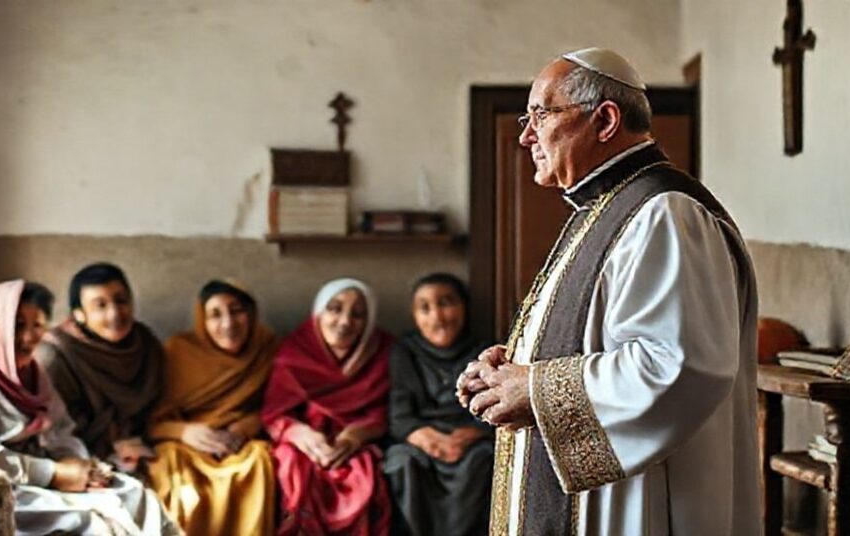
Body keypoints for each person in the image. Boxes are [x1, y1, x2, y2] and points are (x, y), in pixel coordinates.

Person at [455, 48, 759, 535]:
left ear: (606, 120)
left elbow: (677, 367)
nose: (526, 135)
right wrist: (512, 369)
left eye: (541, 114)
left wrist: (532, 388)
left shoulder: (665, 214)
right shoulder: (602, 209)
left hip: (637, 499)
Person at [0, 280, 178, 535]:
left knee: (135, 495)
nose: (28, 337)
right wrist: (53, 473)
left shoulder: (27, 371)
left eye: (38, 325)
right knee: (93, 524)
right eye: (18, 325)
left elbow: (60, 428)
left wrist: (80, 466)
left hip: (41, 478)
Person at [262, 278, 393, 536]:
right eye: (334, 309)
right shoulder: (294, 351)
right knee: (291, 466)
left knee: (363, 474)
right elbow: (274, 413)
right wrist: (299, 434)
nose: (345, 322)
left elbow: (386, 412)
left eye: (357, 314)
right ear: (318, 312)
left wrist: (354, 436)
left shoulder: (384, 352)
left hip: (355, 441)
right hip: (304, 441)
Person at [146, 280, 277, 535]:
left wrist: (246, 427)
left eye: (236, 310)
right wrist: (185, 432)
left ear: (250, 314)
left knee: (260, 460)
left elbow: (279, 407)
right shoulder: (179, 351)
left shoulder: (266, 348)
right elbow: (152, 420)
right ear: (201, 320)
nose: (228, 324)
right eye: (215, 315)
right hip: (187, 445)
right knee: (169, 465)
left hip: (241, 443)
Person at [384, 273, 493, 536]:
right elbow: (399, 415)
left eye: (446, 303)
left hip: (470, 439)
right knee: (401, 461)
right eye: (425, 308)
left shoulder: (484, 351)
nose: (437, 316)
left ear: (464, 306)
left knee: (482, 459)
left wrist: (470, 434)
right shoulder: (405, 352)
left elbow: (495, 408)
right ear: (414, 316)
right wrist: (426, 439)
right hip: (422, 439)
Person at [36, 262, 163, 473]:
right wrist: (111, 445)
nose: (114, 314)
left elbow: (159, 406)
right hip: (78, 459)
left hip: (144, 446)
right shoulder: (56, 355)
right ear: (79, 314)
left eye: (121, 301)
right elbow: (54, 429)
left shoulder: (145, 342)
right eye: (100, 306)